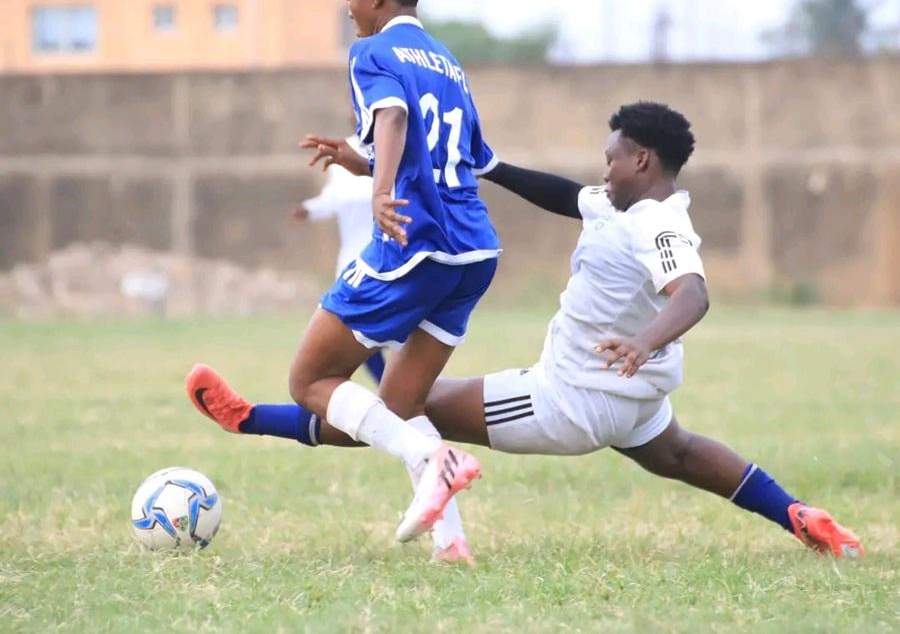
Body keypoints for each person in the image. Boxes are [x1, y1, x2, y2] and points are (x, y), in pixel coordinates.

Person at [188, 101, 864, 559]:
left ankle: (252, 417)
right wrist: (491, 166)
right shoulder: (617, 203)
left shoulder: (660, 222)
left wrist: (644, 340)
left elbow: (692, 292)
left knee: (404, 402)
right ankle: (802, 516)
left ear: (645, 162)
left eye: (613, 157)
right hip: (631, 399)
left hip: (570, 397)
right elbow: (565, 194)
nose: (603, 168)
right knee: (682, 454)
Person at [188, 0, 501, 557]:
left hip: (415, 242)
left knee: (311, 379)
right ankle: (452, 541)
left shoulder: (371, 51)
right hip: (474, 252)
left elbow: (394, 120)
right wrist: (356, 163)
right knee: (401, 401)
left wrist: (380, 190)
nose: (348, 8)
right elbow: (463, 157)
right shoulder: (446, 61)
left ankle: (430, 459)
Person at [292, 162, 385, 383]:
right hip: (353, 265)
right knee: (356, 331)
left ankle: (405, 392)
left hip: (389, 260)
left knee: (398, 330)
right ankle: (388, 387)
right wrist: (309, 208)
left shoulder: (392, 147)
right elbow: (331, 200)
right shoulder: (342, 163)